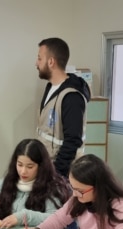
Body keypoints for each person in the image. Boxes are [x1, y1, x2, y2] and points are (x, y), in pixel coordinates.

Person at [0, 139, 70, 229]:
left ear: (41, 166)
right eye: (20, 165)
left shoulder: (52, 186)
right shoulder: (11, 179)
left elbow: (55, 219)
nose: (23, 172)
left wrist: (23, 217)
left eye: (30, 167)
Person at [35, 37, 91, 178]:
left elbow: (72, 141)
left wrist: (56, 174)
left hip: (62, 174)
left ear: (51, 61)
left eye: (39, 58)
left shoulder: (72, 97)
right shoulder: (51, 88)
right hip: (47, 166)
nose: (36, 63)